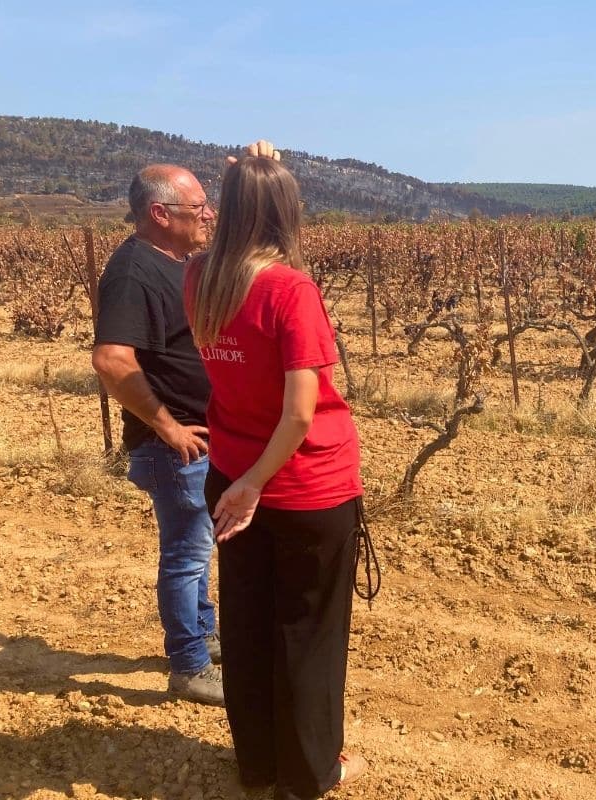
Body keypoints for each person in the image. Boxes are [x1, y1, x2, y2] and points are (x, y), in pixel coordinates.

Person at [184, 142, 368, 799]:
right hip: (300, 489)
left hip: (229, 478)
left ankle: (257, 766)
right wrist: (259, 484)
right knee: (309, 634)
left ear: (225, 206)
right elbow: (299, 413)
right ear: (289, 211)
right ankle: (313, 773)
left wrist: (243, 484)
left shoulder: (200, 277)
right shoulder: (292, 289)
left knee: (249, 622)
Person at [92, 164, 224, 706]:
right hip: (172, 448)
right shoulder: (132, 272)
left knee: (199, 547)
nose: (208, 216)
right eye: (198, 209)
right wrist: (168, 427)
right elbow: (112, 359)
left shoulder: (179, 262)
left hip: (196, 441)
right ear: (160, 213)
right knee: (186, 553)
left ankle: (205, 637)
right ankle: (189, 665)